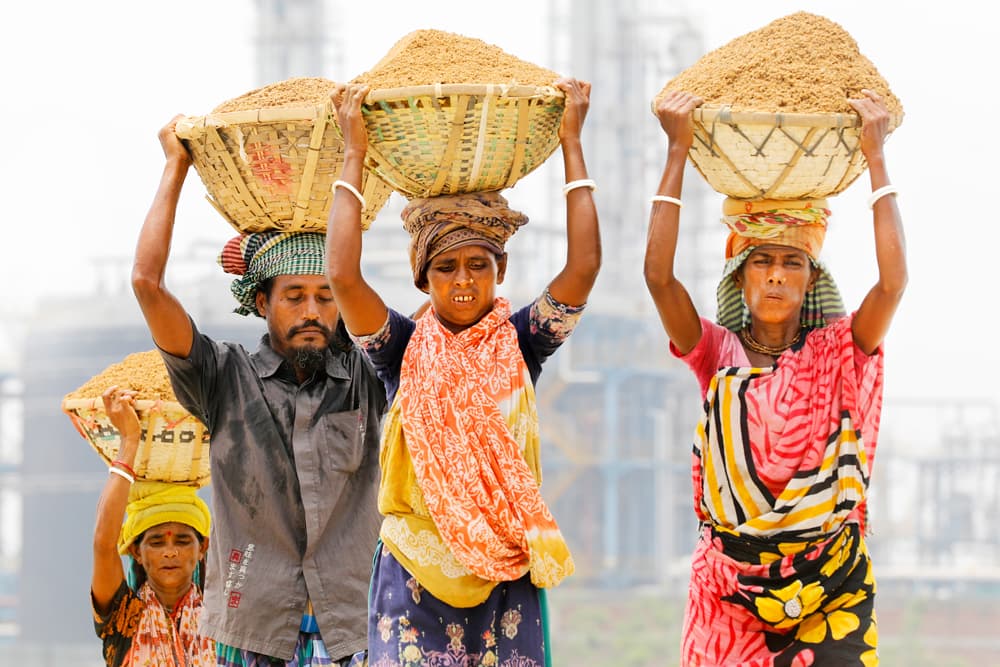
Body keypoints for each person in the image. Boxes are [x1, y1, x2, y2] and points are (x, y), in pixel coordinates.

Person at [325, 77, 601, 666]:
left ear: (500, 269)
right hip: (414, 577)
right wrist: (353, 152)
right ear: (424, 278)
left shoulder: (522, 342)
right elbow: (344, 279)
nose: (464, 281)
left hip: (505, 574)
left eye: (479, 264)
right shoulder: (399, 349)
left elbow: (584, 264)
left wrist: (572, 141)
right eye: (446, 267)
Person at [643, 87, 906, 665]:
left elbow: (892, 285)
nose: (777, 276)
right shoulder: (718, 353)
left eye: (792, 262)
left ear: (811, 280)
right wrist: (677, 151)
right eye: (762, 260)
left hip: (827, 586)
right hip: (728, 590)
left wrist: (875, 155)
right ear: (740, 276)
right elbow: (659, 279)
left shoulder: (841, 352)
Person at [130, 117, 386, 666]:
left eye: (326, 295)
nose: (313, 311)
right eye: (294, 295)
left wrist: (354, 156)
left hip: (356, 629)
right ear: (262, 302)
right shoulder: (223, 379)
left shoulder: (369, 377)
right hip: (253, 629)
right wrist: (176, 166)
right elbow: (146, 286)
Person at [91, 385, 214, 666]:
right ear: (136, 551)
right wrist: (129, 441)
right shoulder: (124, 616)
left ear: (202, 548)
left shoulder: (222, 616)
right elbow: (103, 544)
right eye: (156, 542)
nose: (170, 551)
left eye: (183, 541)